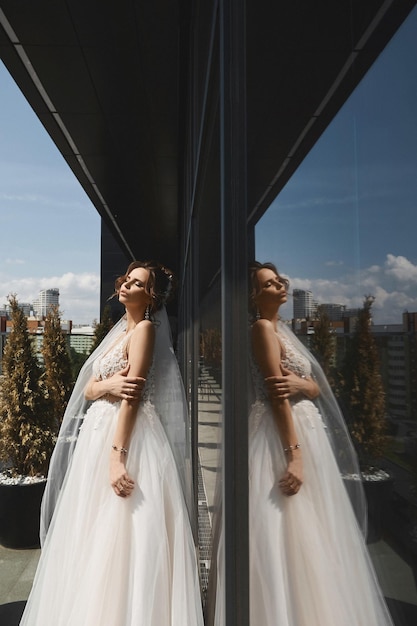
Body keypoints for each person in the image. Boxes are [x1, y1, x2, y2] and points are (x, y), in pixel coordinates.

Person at [20, 261, 204, 626]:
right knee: (90, 530)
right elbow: (89, 388)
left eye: (137, 283)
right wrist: (106, 386)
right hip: (97, 435)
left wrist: (118, 457)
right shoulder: (121, 331)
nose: (126, 285)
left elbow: (132, 396)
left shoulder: (146, 330)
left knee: (124, 532)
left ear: (150, 295)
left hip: (127, 438)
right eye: (126, 279)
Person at [245, 261, 394, 626]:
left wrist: (304, 386)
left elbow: (313, 386)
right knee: (291, 524)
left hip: (308, 432)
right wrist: (293, 456)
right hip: (285, 436)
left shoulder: (286, 332)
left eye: (280, 280)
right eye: (269, 283)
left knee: (317, 525)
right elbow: (277, 393)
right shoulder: (263, 328)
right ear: (254, 295)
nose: (280, 285)